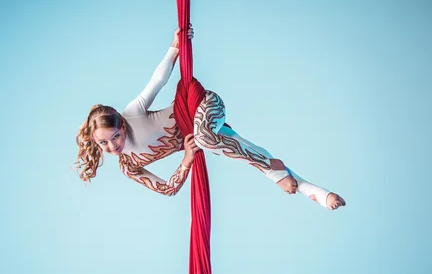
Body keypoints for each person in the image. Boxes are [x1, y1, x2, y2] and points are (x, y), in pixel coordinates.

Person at [74, 28, 346, 210]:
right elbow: (167, 189)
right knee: (242, 148)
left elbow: (157, 81)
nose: (113, 146)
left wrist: (174, 47)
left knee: (208, 139)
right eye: (104, 144)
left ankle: (280, 178)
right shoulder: (129, 166)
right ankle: (316, 192)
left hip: (199, 104)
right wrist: (185, 162)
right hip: (200, 140)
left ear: (122, 125)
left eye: (115, 137)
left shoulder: (131, 114)